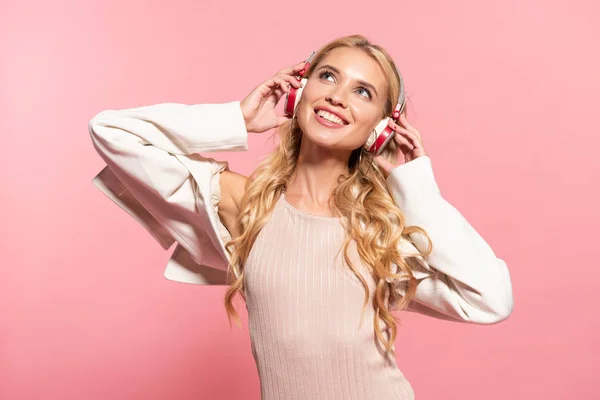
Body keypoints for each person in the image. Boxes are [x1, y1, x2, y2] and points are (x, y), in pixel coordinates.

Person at [89, 34, 514, 400]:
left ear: (380, 129)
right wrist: (237, 119)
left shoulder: (378, 230)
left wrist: (416, 187)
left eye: (362, 92)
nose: (337, 96)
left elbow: (491, 300)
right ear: (300, 90)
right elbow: (110, 131)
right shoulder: (245, 204)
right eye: (328, 76)